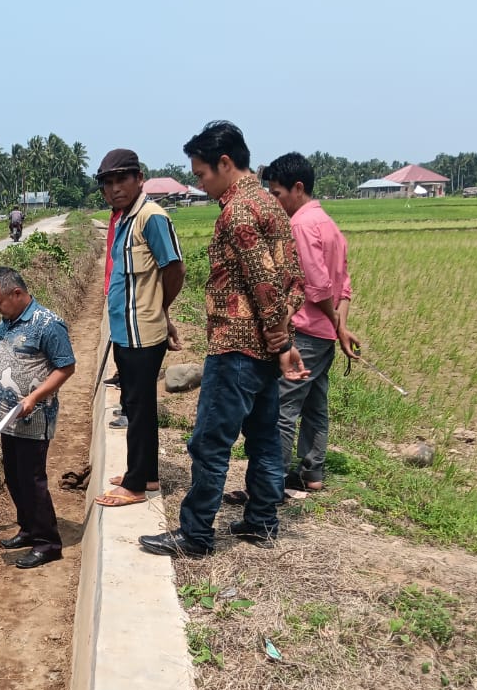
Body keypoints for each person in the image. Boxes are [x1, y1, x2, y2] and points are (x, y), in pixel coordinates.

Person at [140, 121, 306, 558]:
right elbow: (294, 280)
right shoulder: (271, 206)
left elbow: (266, 284)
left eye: (201, 174)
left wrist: (281, 341)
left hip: (237, 348)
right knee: (266, 439)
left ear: (225, 163)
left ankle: (195, 534)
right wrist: (281, 339)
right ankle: (262, 521)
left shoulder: (238, 213)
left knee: (210, 442)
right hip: (264, 352)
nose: (199, 183)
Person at [261, 153, 362, 492]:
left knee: (284, 408)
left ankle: (270, 483)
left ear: (298, 188)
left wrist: (336, 325)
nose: (275, 202)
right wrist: (340, 328)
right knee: (316, 404)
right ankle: (311, 473)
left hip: (304, 332)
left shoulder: (300, 226)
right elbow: (342, 285)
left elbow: (318, 288)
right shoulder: (329, 225)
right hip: (324, 336)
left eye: (277, 194)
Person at [92, 148, 185, 507]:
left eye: (122, 180)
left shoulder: (150, 217)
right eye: (108, 183)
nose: (115, 188)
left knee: (140, 405)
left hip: (142, 331)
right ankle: (144, 473)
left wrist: (160, 309)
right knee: (135, 404)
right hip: (126, 329)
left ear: (139, 178)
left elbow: (173, 268)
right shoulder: (126, 218)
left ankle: (135, 485)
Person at [0, 266, 76, 569]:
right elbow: (2, 363)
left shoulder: (47, 324)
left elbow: (65, 367)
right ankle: (29, 528)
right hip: (7, 420)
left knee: (32, 481)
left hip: (34, 418)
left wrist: (33, 397)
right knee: (14, 477)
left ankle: (48, 542)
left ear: (16, 293)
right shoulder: (5, 324)